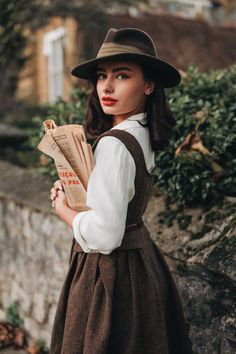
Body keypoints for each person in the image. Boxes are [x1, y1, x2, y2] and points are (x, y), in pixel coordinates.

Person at [49, 28, 193, 354]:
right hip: (142, 264)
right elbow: (120, 199)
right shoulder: (142, 131)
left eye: (122, 75)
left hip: (109, 274)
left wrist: (64, 210)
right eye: (101, 76)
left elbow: (105, 235)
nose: (107, 87)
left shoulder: (114, 144)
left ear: (149, 84)